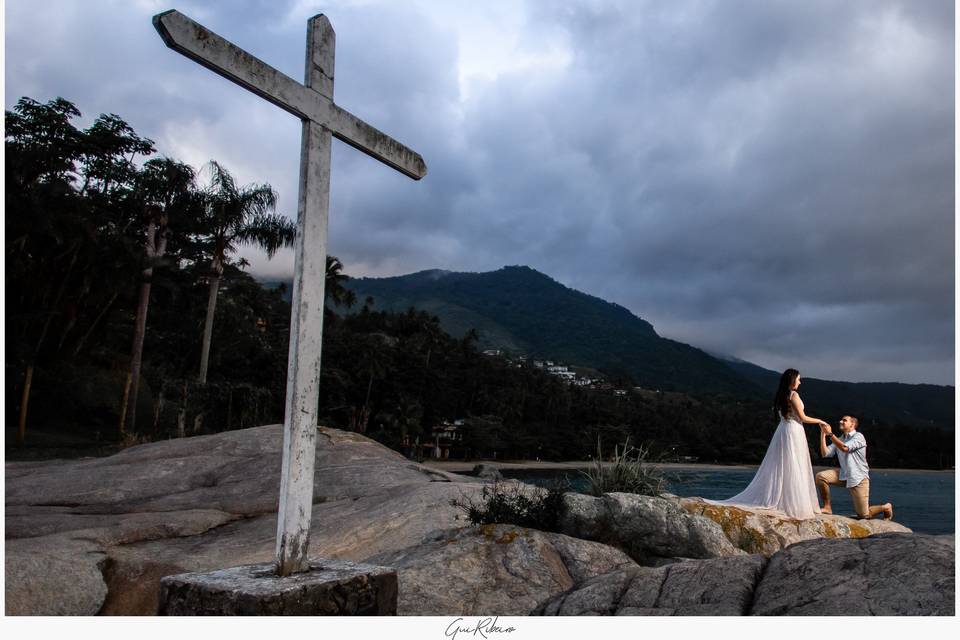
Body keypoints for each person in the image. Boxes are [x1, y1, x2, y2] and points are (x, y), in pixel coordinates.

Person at [709, 368, 825, 519]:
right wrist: (820, 421)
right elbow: (802, 417)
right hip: (793, 430)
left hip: (783, 430)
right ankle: (795, 503)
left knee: (784, 464)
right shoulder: (793, 395)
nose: (800, 382)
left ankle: (786, 500)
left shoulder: (781, 395)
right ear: (792, 380)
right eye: (798, 379)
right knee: (794, 465)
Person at [816, 416, 893, 520]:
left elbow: (844, 448)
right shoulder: (840, 438)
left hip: (859, 478)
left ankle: (886, 507)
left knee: (863, 515)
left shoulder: (859, 437)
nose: (840, 421)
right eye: (841, 419)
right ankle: (827, 507)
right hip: (844, 475)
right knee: (821, 477)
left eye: (844, 420)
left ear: (852, 424)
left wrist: (830, 434)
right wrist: (823, 434)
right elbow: (825, 453)